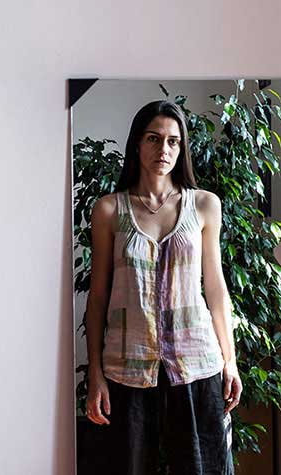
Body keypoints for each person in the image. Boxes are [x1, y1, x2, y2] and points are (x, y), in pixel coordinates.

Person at [84, 99, 242, 475]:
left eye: (173, 141)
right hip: (127, 366)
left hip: (197, 363)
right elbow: (98, 296)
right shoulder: (109, 210)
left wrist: (230, 360)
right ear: (137, 144)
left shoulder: (204, 205)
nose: (164, 149)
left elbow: (215, 288)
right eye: (154, 139)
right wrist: (95, 373)